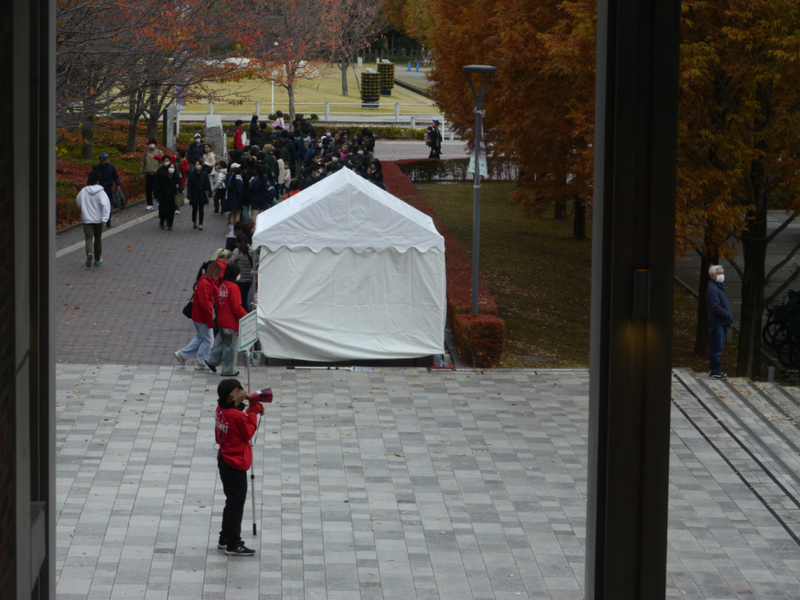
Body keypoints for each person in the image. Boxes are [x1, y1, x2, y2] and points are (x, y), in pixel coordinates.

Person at [214, 378, 264, 556]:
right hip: (235, 463)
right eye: (239, 391)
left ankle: (225, 537)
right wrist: (253, 413)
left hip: (224, 460)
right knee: (236, 503)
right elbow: (248, 433)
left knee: (231, 501)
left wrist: (247, 409)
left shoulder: (221, 409)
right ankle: (234, 543)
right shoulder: (236, 416)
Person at [175, 261, 220, 372]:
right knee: (209, 340)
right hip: (202, 317)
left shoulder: (205, 281)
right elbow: (206, 305)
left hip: (198, 316)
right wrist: (210, 322)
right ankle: (201, 362)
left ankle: (182, 354)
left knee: (201, 338)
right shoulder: (205, 283)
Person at [207, 263, 248, 376]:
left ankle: (212, 361)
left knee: (223, 343)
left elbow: (218, 305)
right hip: (230, 323)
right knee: (231, 348)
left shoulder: (222, 286)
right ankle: (229, 370)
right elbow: (236, 307)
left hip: (222, 321)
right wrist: (247, 317)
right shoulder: (234, 287)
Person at [76, 171, 111, 268]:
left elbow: (78, 202)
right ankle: (97, 259)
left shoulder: (83, 191)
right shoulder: (101, 192)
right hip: (98, 220)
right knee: (98, 239)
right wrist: (105, 218)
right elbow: (106, 205)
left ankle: (89, 253)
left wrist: (84, 209)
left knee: (88, 237)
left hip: (87, 219)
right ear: (97, 181)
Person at [707, 264, 733, 379]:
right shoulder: (713, 288)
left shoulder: (718, 286)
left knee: (718, 347)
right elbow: (716, 307)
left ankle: (715, 370)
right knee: (716, 348)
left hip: (720, 322)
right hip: (717, 323)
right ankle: (715, 372)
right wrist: (727, 315)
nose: (722, 275)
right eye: (719, 273)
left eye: (722, 273)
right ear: (712, 275)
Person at [88, 152, 122, 228]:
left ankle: (108, 221)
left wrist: (118, 184)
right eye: (102, 160)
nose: (104, 161)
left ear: (107, 160)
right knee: (98, 205)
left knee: (108, 205)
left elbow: (115, 176)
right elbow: (92, 177)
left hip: (108, 189)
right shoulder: (96, 168)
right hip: (98, 190)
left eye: (105, 160)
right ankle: (98, 220)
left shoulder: (111, 167)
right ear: (100, 160)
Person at [154, 157, 182, 230]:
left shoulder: (176, 177)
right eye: (170, 167)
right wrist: (157, 195)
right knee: (163, 210)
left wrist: (178, 187)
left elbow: (180, 186)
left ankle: (170, 225)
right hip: (163, 196)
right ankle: (162, 222)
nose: (171, 168)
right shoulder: (164, 177)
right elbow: (159, 186)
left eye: (173, 167)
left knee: (171, 211)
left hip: (172, 197)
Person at [187, 161, 212, 230]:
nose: (197, 165)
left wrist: (210, 192)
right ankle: (194, 221)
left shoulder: (204, 174)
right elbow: (189, 185)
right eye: (196, 164)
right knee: (194, 209)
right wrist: (189, 196)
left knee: (201, 209)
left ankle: (200, 223)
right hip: (194, 193)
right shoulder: (192, 174)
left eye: (199, 164)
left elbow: (208, 183)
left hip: (202, 193)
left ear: (201, 165)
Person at [231, 234, 254, 311]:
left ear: (237, 242)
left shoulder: (236, 252)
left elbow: (232, 264)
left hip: (239, 280)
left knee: (240, 301)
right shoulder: (252, 251)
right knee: (247, 300)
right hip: (250, 280)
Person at [141, 138, 163, 211]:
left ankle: (159, 201)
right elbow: (143, 162)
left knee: (156, 189)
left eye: (152, 143)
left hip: (156, 173)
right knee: (148, 190)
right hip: (148, 173)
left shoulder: (159, 152)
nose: (151, 145)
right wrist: (141, 172)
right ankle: (149, 204)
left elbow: (161, 163)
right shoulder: (146, 152)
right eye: (150, 143)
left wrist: (160, 172)